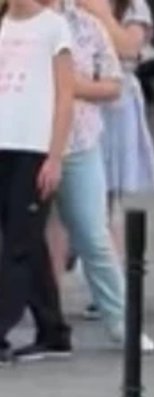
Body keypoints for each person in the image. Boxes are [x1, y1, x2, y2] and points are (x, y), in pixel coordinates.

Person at [49, 0, 154, 352]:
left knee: (93, 233)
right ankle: (47, 320)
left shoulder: (85, 24)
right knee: (31, 235)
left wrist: (70, 87)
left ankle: (122, 322)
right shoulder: (13, 23)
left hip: (79, 141)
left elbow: (113, 83)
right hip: (24, 141)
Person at [0, 0, 75, 364]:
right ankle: (53, 329)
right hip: (2, 142)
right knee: (26, 239)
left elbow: (65, 96)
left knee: (18, 243)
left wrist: (55, 155)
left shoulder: (53, 26)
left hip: (33, 146)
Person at [82, 0, 154, 260]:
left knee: (105, 195)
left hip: (113, 102)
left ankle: (110, 280)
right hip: (73, 97)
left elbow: (129, 48)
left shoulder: (132, 6)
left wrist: (101, 13)